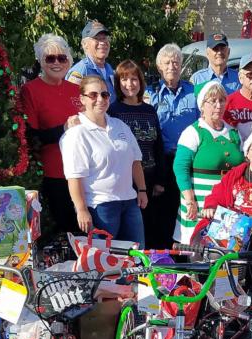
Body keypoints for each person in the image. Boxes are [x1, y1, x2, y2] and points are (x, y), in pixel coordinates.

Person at [60, 76, 147, 245]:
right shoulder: (77, 133)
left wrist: (142, 189)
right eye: (93, 95)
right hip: (101, 207)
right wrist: (81, 209)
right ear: (82, 99)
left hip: (129, 202)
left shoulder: (120, 126)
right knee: (104, 263)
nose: (100, 99)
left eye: (104, 95)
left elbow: (135, 161)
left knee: (137, 258)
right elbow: (74, 177)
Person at [20, 33, 81, 235]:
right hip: (55, 173)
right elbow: (32, 136)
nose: (57, 63)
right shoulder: (31, 90)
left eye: (62, 58)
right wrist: (62, 129)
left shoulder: (77, 90)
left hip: (84, 171)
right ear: (40, 61)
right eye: (50, 58)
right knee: (67, 231)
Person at [173, 81, 245, 243]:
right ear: (201, 105)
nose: (218, 105)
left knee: (223, 250)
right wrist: (190, 200)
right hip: (199, 201)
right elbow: (180, 167)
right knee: (197, 251)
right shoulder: (193, 132)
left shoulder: (233, 132)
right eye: (212, 101)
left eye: (221, 100)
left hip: (227, 203)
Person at [107, 60, 168, 248]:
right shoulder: (113, 111)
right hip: (124, 181)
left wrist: (160, 180)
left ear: (141, 82)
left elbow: (158, 145)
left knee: (151, 227)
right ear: (118, 84)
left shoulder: (149, 110)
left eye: (134, 79)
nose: (129, 84)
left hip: (149, 179)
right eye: (124, 80)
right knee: (129, 233)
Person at [145, 43, 199, 246]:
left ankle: (184, 255)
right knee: (161, 212)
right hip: (162, 160)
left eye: (175, 62)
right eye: (166, 63)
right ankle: (161, 255)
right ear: (159, 67)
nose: (171, 66)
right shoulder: (151, 93)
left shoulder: (193, 92)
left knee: (185, 207)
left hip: (187, 159)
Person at [66, 20, 117, 103]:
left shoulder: (109, 69)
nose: (102, 43)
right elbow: (71, 102)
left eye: (104, 38)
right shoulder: (80, 71)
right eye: (96, 38)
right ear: (85, 45)